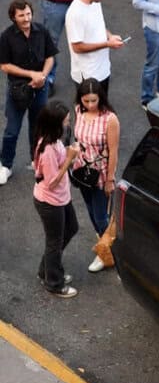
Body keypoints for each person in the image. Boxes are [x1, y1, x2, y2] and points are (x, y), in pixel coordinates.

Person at [0, 0, 57, 185]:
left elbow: (50, 57)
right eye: (21, 15)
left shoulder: (41, 31)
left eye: (28, 14)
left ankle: (37, 161)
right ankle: (5, 166)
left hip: (40, 87)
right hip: (18, 89)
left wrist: (43, 75)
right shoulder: (7, 37)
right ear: (13, 17)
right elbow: (4, 66)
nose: (26, 18)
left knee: (38, 127)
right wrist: (30, 73)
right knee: (12, 129)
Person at [32, 101, 80, 298]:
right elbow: (51, 182)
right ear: (55, 124)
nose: (68, 124)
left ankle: (46, 270)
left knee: (71, 228)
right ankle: (54, 282)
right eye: (66, 121)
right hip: (50, 202)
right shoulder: (47, 149)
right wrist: (69, 159)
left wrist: (70, 156)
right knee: (55, 241)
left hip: (60, 198)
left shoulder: (55, 140)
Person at [72, 78, 120, 273]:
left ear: (101, 97)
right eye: (86, 101)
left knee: (101, 216)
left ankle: (106, 253)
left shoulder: (110, 119)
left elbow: (114, 151)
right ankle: (104, 241)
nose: (90, 105)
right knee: (91, 211)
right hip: (82, 171)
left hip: (100, 174)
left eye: (93, 100)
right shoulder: (78, 111)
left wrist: (110, 179)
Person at [65, 0, 124, 91]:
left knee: (103, 108)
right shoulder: (75, 13)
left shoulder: (94, 2)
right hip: (88, 74)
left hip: (102, 69)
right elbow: (77, 47)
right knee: (90, 108)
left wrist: (110, 36)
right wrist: (107, 44)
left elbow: (99, 25)